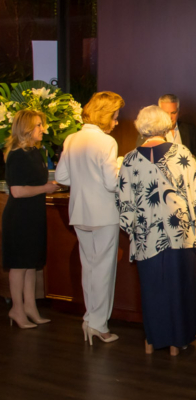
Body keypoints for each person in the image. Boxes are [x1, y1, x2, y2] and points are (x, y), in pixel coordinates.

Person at [117, 105, 196, 356]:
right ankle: (179, 341)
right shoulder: (181, 153)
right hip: (180, 235)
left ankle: (152, 339)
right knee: (180, 287)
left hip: (147, 238)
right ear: (166, 126)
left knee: (152, 289)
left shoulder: (130, 159)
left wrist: (136, 227)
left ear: (141, 127)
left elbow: (124, 205)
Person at [55, 91, 125, 345]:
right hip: (104, 214)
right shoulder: (107, 142)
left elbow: (61, 177)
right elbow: (111, 183)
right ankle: (98, 325)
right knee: (104, 270)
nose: (116, 121)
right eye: (115, 116)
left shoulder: (72, 138)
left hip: (79, 212)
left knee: (89, 268)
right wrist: (121, 167)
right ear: (105, 115)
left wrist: (83, 179)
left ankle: (90, 318)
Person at [2, 110, 59, 328]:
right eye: (38, 125)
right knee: (19, 265)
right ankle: (17, 309)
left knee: (31, 264)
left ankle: (30, 307)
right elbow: (16, 191)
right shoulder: (16, 155)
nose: (42, 129)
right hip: (19, 217)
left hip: (33, 214)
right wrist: (45, 188)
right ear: (25, 128)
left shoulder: (35, 152)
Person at [136, 94, 196, 160]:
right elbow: (140, 156)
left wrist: (191, 158)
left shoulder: (189, 129)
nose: (170, 117)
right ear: (159, 113)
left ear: (178, 111)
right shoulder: (149, 132)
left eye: (173, 112)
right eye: (166, 113)